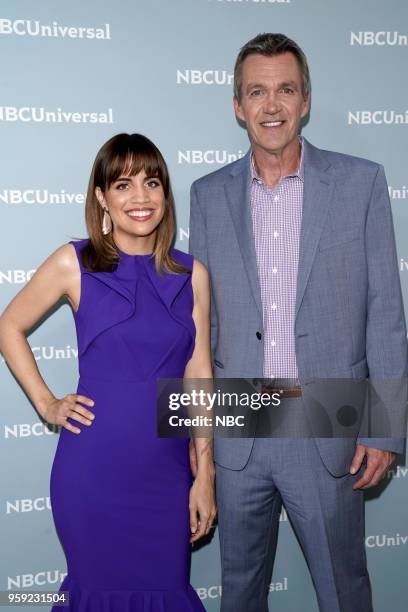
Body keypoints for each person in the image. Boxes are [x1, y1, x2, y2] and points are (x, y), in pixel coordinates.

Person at [189, 33, 407, 612]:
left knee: (344, 591)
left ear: (305, 99)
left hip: (326, 422)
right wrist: (198, 434)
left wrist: (383, 429)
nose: (272, 105)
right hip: (239, 425)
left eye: (285, 89)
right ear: (238, 105)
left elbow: (387, 313)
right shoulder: (207, 195)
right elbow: (200, 329)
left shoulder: (361, 182)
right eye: (257, 92)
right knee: (239, 592)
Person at [0, 133, 216, 611]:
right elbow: (9, 326)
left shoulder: (191, 274)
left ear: (165, 194)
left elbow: (199, 375)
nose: (140, 197)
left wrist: (206, 473)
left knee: (166, 590)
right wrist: (47, 403)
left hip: (166, 472)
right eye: (123, 184)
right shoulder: (73, 263)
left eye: (152, 182)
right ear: (101, 196)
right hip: (93, 472)